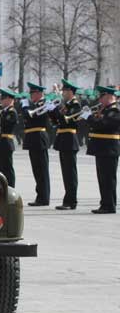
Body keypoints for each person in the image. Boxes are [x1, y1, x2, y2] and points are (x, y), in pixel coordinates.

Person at [83, 85, 120, 214]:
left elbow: (102, 125)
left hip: (109, 149)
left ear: (109, 96)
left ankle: (109, 205)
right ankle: (105, 203)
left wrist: (89, 117)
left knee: (108, 178)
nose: (99, 99)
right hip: (102, 148)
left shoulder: (115, 111)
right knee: (103, 178)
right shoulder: (105, 110)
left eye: (101, 96)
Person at [21, 82, 55, 207]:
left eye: (33, 93)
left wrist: (25, 108)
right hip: (33, 138)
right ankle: (40, 196)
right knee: (37, 170)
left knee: (42, 170)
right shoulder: (35, 105)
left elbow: (30, 117)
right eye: (31, 93)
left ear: (39, 93)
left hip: (39, 138)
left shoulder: (43, 104)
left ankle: (44, 197)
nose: (31, 95)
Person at [50, 79, 82, 210]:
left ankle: (71, 200)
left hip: (70, 139)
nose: (62, 92)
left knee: (70, 173)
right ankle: (67, 199)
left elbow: (67, 120)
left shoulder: (75, 105)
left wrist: (57, 110)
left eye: (65, 90)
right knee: (65, 172)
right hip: (63, 139)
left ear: (70, 92)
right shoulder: (66, 104)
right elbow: (56, 121)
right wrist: (51, 110)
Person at [0, 88, 19, 188]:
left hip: (7, 142)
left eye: (3, 98)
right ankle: (3, 187)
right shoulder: (3, 111)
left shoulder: (12, 112)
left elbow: (4, 124)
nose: (1, 100)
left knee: (7, 168)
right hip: (0, 142)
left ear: (9, 99)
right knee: (1, 168)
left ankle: (10, 188)